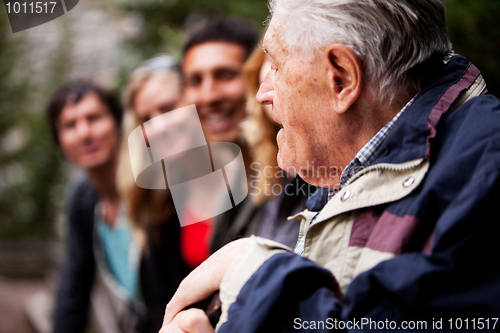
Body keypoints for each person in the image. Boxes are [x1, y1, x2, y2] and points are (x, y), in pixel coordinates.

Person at [160, 0, 500, 332]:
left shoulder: (485, 172)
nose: (262, 93)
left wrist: (251, 272)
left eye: (276, 66)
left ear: (342, 77)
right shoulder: (348, 168)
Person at [47, 80, 130, 332]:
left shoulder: (151, 184)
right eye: (70, 125)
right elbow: (73, 288)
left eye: (94, 118)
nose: (84, 133)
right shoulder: (82, 199)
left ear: (118, 122)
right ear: (59, 140)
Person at [180, 17, 262, 252]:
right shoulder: (234, 184)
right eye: (195, 81)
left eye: (225, 75)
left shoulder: (297, 178)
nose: (209, 96)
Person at [241, 45, 319, 249]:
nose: (262, 94)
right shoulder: (267, 177)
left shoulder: (329, 175)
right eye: (270, 64)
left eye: (278, 66)